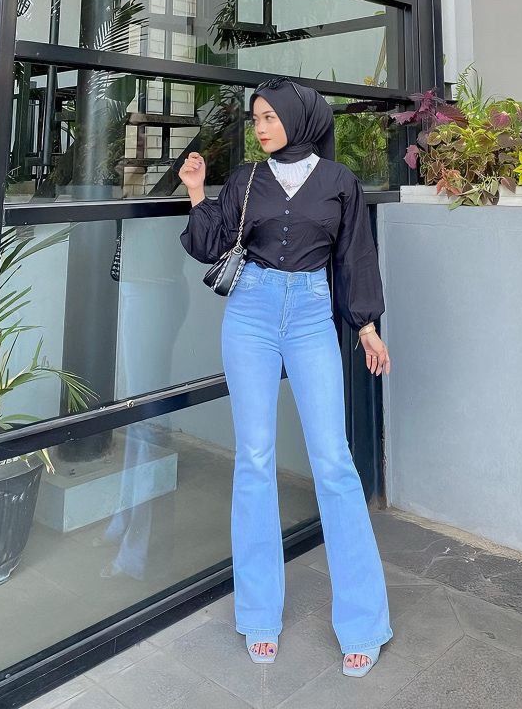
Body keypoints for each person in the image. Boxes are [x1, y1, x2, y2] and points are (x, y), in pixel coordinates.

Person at [178, 77, 393, 678]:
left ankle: (363, 623)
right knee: (253, 459)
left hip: (310, 315)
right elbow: (210, 244)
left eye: (271, 117)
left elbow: (355, 256)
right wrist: (195, 191)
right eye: (256, 119)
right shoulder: (246, 179)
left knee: (334, 462)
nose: (262, 127)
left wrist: (366, 325)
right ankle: (258, 615)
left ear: (300, 119)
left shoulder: (339, 182)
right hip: (250, 311)